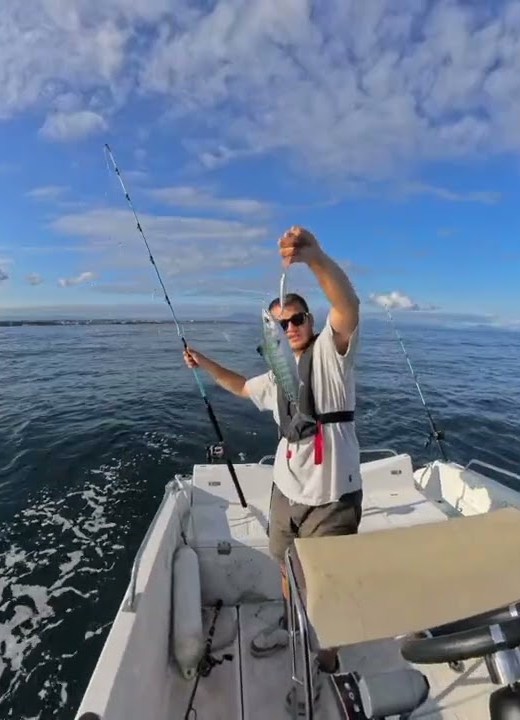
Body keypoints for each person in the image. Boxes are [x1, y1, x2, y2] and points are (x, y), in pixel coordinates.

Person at [182, 225, 361, 709]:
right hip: (286, 493)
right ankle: (289, 626)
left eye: (297, 318)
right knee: (285, 572)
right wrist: (204, 362)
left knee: (327, 589)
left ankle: (322, 664)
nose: (289, 328)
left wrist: (315, 258)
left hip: (331, 498)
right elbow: (241, 386)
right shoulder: (275, 375)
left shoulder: (331, 357)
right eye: (280, 324)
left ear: (310, 320)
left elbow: (348, 307)